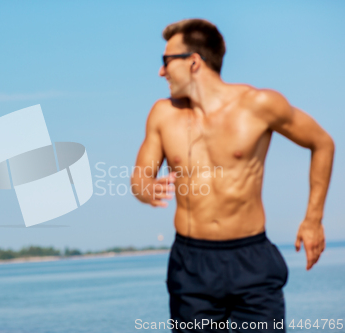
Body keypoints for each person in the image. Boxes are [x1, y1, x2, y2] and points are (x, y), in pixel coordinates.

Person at [131, 19, 334, 332]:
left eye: (166, 62)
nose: (161, 72)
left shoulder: (258, 105)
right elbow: (139, 180)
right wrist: (147, 190)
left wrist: (313, 219)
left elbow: (322, 143)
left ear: (194, 62)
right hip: (191, 263)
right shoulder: (163, 114)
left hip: (251, 259)